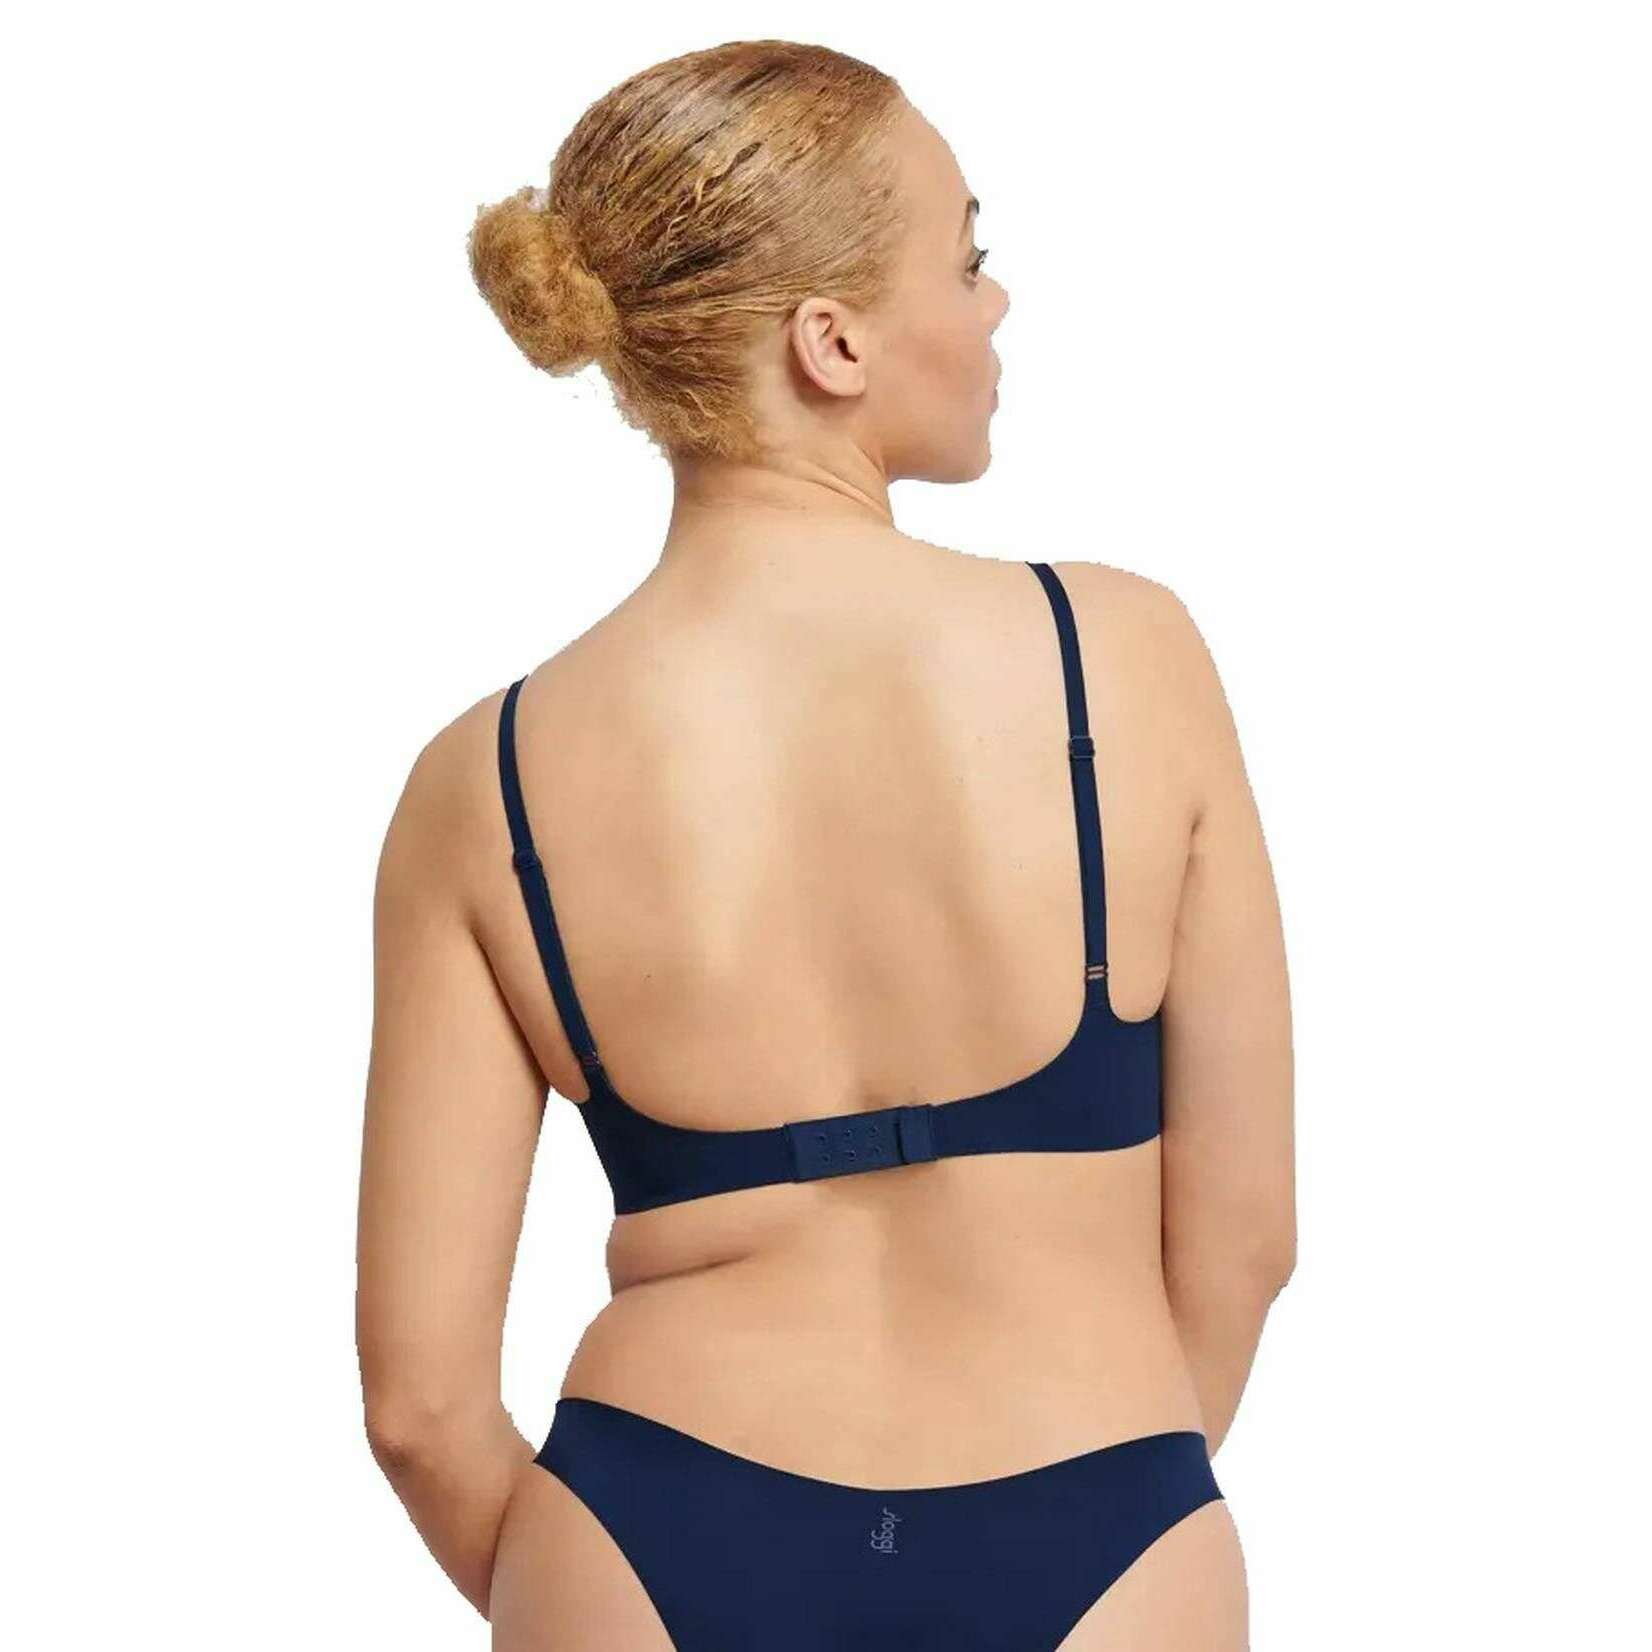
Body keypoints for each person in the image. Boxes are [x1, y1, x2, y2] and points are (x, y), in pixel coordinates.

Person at [356, 38, 1294, 1651]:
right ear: (832, 340)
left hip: (648, 1537)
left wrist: (573, 1593)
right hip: (1094, 1514)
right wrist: (1114, 1482)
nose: (997, 305)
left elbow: (421, 1408)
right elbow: (1247, 1235)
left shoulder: (483, 781)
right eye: (969, 259)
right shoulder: (1125, 657)